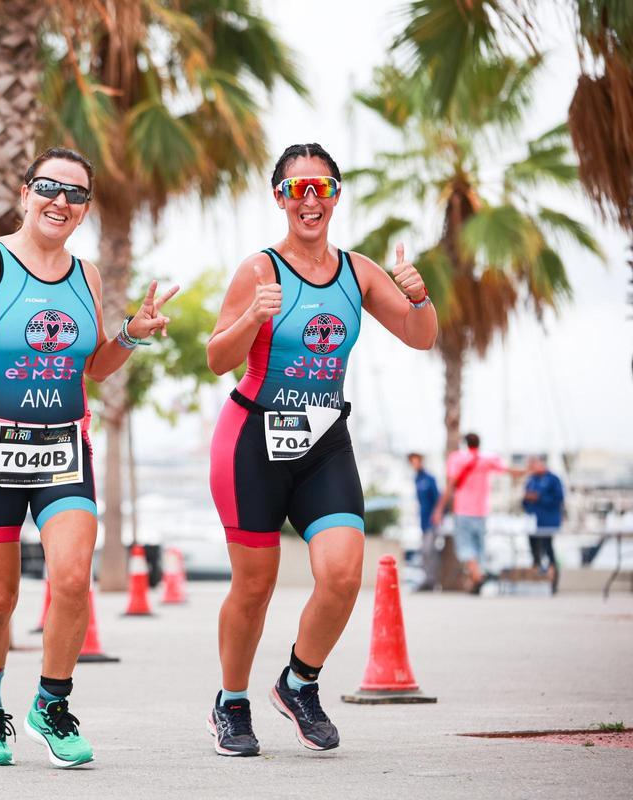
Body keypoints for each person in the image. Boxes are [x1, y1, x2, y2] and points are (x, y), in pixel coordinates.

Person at [0, 147, 177, 768]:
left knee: (73, 578)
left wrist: (130, 333)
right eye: (49, 187)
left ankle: (51, 702)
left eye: (76, 194)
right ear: (25, 193)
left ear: (84, 212)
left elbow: (94, 367)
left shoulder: (88, 276)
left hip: (64, 448)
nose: (60, 201)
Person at [205, 143, 437, 756]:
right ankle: (231, 703)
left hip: (323, 441)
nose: (310, 199)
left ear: (336, 196)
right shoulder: (259, 270)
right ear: (279, 197)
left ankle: (298, 681)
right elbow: (216, 360)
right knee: (253, 588)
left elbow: (420, 337)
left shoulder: (358, 272)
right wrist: (252, 318)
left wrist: (418, 296)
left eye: (322, 188)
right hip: (252, 439)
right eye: (297, 188)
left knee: (341, 575)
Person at [432, 432, 521, 593]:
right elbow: (510, 471)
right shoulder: (487, 460)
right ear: (479, 444)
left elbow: (450, 486)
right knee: (479, 548)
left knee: (465, 548)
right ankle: (475, 579)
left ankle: (478, 576)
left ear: (465, 444)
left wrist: (439, 509)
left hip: (463, 511)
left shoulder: (457, 458)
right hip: (481, 512)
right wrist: (529, 470)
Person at [522, 455, 564, 587]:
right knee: (534, 548)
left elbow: (558, 499)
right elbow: (525, 501)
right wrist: (527, 499)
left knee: (548, 547)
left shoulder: (553, 479)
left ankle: (553, 575)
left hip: (548, 521)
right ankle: (537, 572)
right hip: (533, 522)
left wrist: (539, 497)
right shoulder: (531, 480)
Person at [408, 453, 442, 591]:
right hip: (423, 521)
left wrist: (437, 515)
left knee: (429, 551)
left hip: (431, 520)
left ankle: (432, 581)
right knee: (425, 552)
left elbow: (438, 499)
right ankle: (428, 579)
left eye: (416, 461)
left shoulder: (429, 478)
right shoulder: (416, 479)